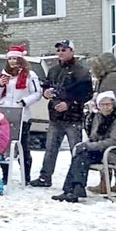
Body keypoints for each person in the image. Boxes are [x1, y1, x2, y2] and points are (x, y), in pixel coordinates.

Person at [30, 39, 93, 188]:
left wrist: (70, 103)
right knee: (50, 149)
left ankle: (77, 181)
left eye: (64, 50)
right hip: (55, 117)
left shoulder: (81, 72)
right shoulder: (53, 70)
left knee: (76, 150)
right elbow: (46, 86)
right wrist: (46, 93)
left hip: (73, 118)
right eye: (58, 50)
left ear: (72, 51)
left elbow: (87, 93)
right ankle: (45, 177)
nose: (60, 53)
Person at [52, 90, 116, 203]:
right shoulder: (99, 116)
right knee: (80, 154)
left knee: (83, 154)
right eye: (103, 104)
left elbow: (115, 141)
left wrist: (90, 146)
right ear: (98, 106)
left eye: (109, 104)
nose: (106, 107)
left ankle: (74, 189)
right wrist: (89, 139)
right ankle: (72, 190)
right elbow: (94, 136)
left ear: (113, 104)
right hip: (103, 150)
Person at [0, 44, 42, 184]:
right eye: (10, 59)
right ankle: (5, 175)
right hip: (4, 114)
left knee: (22, 147)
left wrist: (24, 102)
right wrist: (0, 85)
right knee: (3, 146)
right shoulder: (4, 75)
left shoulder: (30, 75)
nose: (12, 61)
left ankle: (25, 176)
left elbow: (37, 93)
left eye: (15, 58)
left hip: (22, 115)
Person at [87, 52, 116, 194]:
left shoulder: (110, 79)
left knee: (107, 147)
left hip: (111, 117)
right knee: (114, 148)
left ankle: (105, 184)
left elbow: (106, 99)